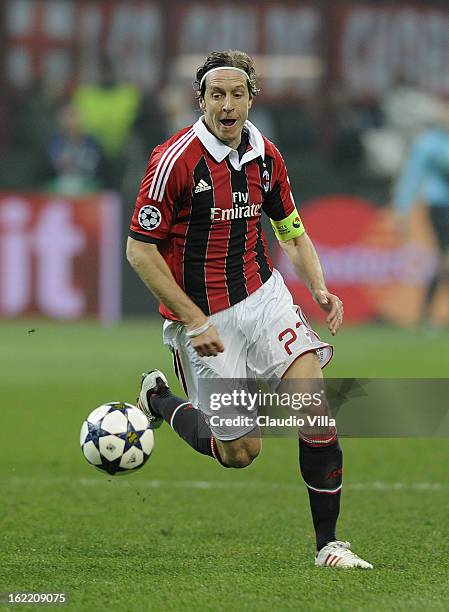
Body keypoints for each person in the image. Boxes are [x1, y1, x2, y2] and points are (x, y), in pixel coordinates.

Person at [127, 50, 372, 569]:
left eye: (237, 93)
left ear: (250, 98)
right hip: (204, 319)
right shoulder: (174, 160)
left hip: (264, 299)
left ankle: (329, 544)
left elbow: (291, 229)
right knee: (240, 453)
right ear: (201, 101)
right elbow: (139, 249)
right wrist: (192, 320)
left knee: (316, 410)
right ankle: (163, 401)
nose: (227, 103)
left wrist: (320, 286)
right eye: (216, 94)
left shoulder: (266, 155)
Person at [393, 103, 449, 327]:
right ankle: (427, 315)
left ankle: (427, 314)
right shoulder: (429, 144)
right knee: (444, 256)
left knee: (443, 258)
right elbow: (411, 177)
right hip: (440, 206)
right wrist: (402, 210)